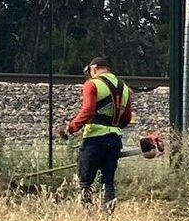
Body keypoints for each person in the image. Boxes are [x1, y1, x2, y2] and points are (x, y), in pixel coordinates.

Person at [57, 57, 133, 213]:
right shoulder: (124, 87)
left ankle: (87, 215)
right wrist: (113, 128)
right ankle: (108, 215)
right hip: (115, 140)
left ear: (94, 69)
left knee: (86, 182)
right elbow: (126, 118)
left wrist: (70, 129)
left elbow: (87, 111)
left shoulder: (92, 84)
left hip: (94, 141)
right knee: (108, 181)